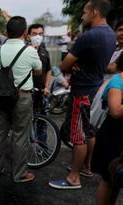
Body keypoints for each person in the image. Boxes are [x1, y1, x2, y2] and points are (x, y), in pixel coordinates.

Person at [49, 0, 116, 189]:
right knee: (89, 131)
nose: (82, 16)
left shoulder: (89, 36)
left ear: (94, 12)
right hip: (95, 87)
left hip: (82, 91)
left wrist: (65, 69)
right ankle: (87, 167)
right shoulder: (110, 34)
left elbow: (63, 66)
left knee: (78, 135)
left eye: (85, 12)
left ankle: (73, 177)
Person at [0, 16, 42, 183]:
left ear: (7, 32)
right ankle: (19, 174)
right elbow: (39, 71)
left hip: (0, 96)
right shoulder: (30, 51)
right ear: (25, 32)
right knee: (20, 136)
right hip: (21, 97)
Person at [90, 54, 123, 205]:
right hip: (113, 136)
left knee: (119, 175)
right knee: (108, 177)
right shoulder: (117, 82)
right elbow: (116, 111)